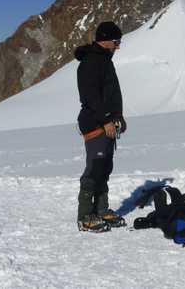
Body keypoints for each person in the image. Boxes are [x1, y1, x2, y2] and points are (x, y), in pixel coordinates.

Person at [74, 21, 127, 232]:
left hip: (107, 123)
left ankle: (101, 209)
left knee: (105, 168)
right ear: (106, 41)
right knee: (94, 168)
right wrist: (106, 119)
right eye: (116, 42)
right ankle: (85, 215)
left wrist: (118, 118)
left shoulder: (104, 61)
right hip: (95, 124)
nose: (118, 46)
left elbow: (110, 94)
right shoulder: (90, 62)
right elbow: (91, 96)